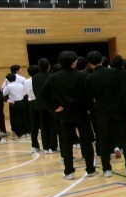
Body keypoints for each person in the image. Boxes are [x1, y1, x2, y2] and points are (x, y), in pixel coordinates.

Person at [41, 50, 97, 179]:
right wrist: (89, 108)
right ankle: (90, 169)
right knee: (86, 142)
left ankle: (69, 172)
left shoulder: (54, 77)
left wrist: (54, 107)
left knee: (66, 143)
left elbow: (43, 93)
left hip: (65, 113)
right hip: (81, 112)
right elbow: (89, 94)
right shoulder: (82, 76)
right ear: (74, 62)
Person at [85, 51, 126, 177]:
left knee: (103, 140)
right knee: (124, 139)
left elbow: (89, 98)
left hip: (102, 112)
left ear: (90, 63)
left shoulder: (89, 78)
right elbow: (122, 88)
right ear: (102, 60)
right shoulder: (114, 72)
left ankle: (107, 169)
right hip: (119, 110)